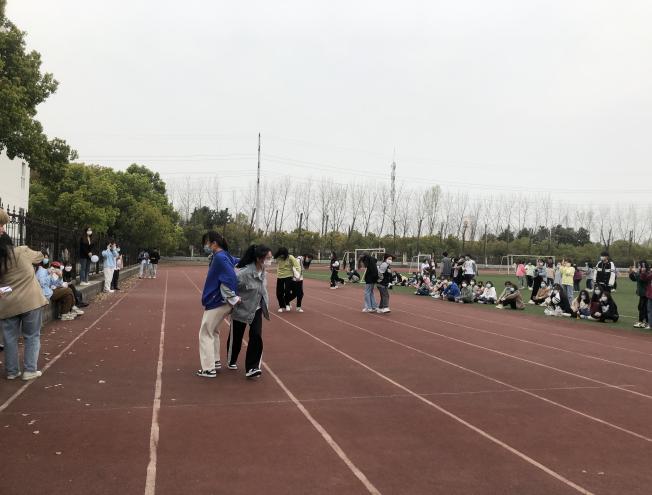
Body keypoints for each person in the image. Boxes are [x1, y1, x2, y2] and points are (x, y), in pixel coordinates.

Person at [0, 232, 48, 380]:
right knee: (32, 336)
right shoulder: (21, 251)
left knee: (9, 338)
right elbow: (40, 257)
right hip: (30, 300)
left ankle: (12, 371)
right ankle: (30, 370)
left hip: (8, 304)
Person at [196, 232, 239, 378]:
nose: (206, 246)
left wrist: (232, 296)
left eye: (207, 243)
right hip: (221, 301)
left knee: (205, 332)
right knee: (213, 330)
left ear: (214, 243)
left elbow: (230, 276)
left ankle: (209, 369)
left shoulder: (220, 257)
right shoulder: (224, 255)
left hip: (217, 300)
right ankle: (215, 361)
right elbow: (237, 261)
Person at [227, 244, 272, 378]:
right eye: (268, 258)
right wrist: (234, 298)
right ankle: (232, 359)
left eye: (271, 258)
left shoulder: (264, 272)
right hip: (241, 309)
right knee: (236, 338)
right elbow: (228, 287)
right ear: (259, 258)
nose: (270, 260)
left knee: (256, 335)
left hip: (256, 309)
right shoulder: (243, 273)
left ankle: (252, 367)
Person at [36, 257, 80, 321]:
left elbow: (56, 283)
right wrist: (50, 275)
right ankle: (73, 306)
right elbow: (42, 284)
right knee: (68, 290)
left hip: (50, 291)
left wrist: (60, 277)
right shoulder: (41, 271)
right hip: (46, 293)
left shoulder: (46, 271)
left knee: (68, 294)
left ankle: (64, 314)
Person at [274, 247, 300, 312]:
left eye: (282, 254)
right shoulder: (278, 258)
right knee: (279, 292)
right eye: (280, 254)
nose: (281, 256)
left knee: (287, 290)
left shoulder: (290, 257)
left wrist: (298, 275)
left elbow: (297, 266)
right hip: (280, 276)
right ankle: (282, 306)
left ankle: (287, 303)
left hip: (289, 275)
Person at [630, 261, 650, 329]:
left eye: (639, 266)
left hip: (646, 294)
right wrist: (632, 273)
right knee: (641, 307)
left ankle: (644, 322)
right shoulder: (641, 273)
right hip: (642, 293)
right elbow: (634, 279)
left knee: (644, 308)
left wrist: (636, 272)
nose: (638, 267)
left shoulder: (647, 273)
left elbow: (641, 279)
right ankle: (642, 321)